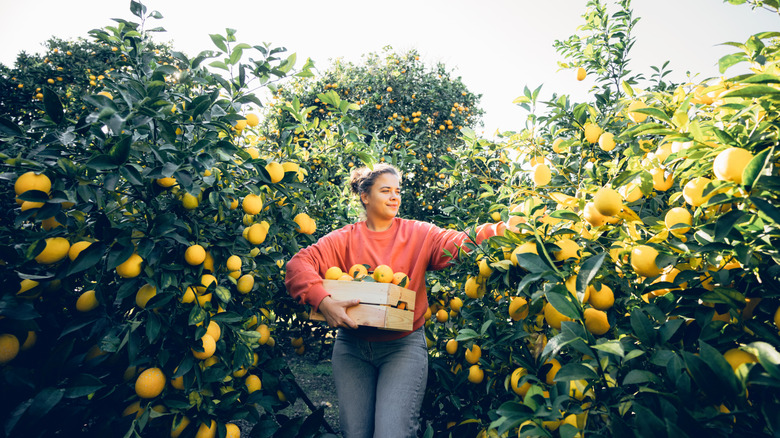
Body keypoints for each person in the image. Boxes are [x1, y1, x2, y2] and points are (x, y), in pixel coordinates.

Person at [284, 163, 504, 438]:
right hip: (351, 348)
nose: (394, 197)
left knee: (392, 432)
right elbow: (298, 265)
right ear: (365, 196)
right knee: (355, 433)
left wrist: (501, 230)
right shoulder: (343, 239)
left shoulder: (419, 234)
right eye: (385, 190)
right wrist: (323, 302)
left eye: (397, 191)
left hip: (403, 347)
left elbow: (458, 241)